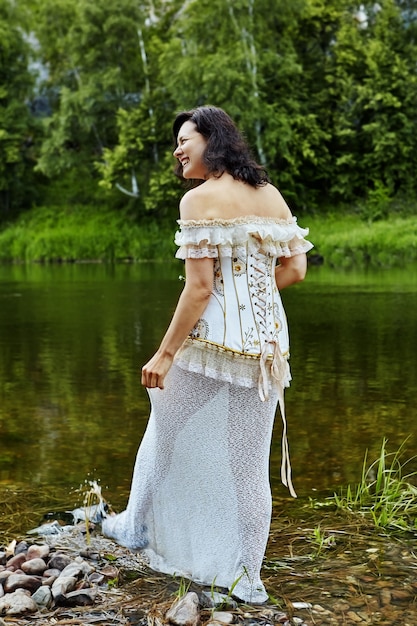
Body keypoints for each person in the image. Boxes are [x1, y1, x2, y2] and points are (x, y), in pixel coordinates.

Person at [102, 105, 313, 604]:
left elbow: (198, 290)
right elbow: (297, 270)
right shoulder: (270, 194)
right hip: (267, 349)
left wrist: (164, 353)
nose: (177, 150)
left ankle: (134, 528)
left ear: (212, 139)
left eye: (184, 139)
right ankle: (248, 579)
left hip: (213, 345)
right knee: (248, 465)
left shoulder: (198, 201)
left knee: (165, 431)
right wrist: (251, 290)